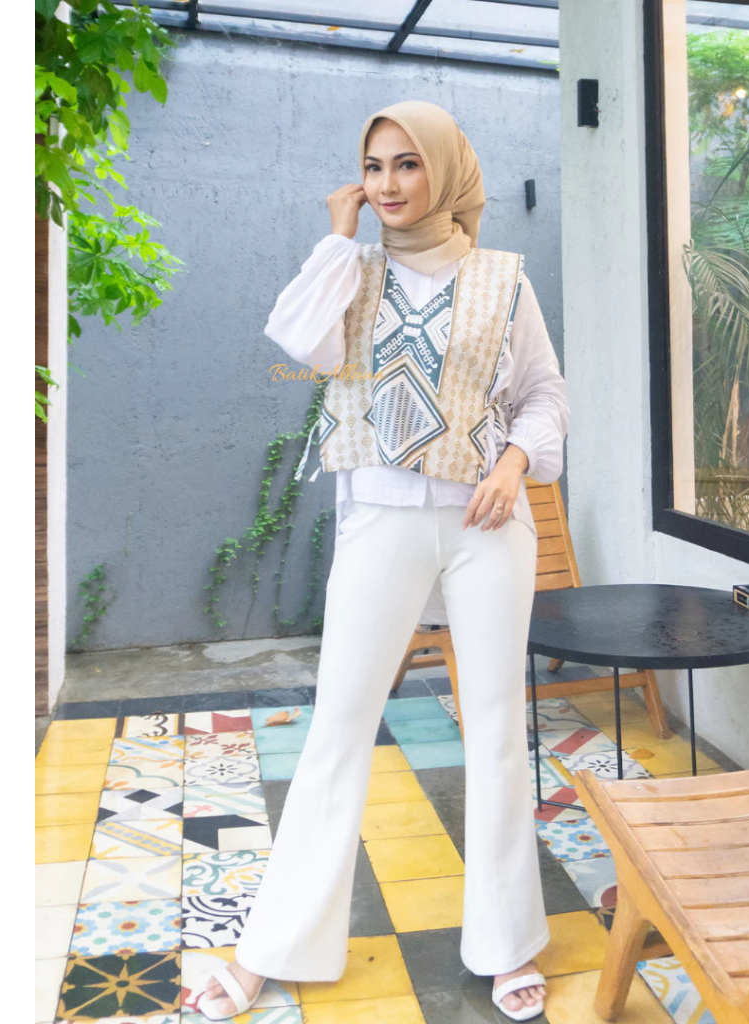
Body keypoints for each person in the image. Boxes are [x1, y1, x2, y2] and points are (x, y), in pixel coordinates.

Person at [191, 100, 569, 1023]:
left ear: (445, 170)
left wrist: (515, 464)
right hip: (381, 518)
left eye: (407, 163)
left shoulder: (504, 279)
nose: (389, 183)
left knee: (495, 728)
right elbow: (297, 339)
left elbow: (543, 395)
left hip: (487, 524)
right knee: (337, 727)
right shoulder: (351, 272)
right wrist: (337, 236)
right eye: (374, 166)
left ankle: (507, 943)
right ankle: (273, 947)